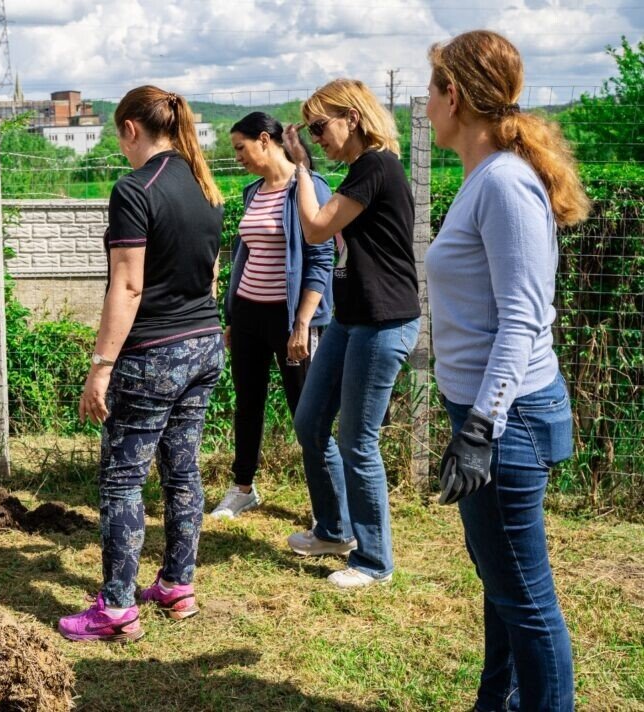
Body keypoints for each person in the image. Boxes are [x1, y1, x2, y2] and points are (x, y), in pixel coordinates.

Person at [426, 30, 589, 711]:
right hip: (492, 417)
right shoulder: (483, 176)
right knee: (501, 582)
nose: (425, 103)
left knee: (525, 597)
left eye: (430, 88)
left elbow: (525, 318)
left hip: (508, 420)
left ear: (455, 95)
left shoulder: (506, 185)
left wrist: (481, 427)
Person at [58, 86, 225, 642]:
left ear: (131, 128)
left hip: (153, 355)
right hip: (204, 343)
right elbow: (210, 274)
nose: (120, 146)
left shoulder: (134, 190)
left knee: (123, 479)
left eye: (118, 134)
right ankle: (178, 585)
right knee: (183, 471)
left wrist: (100, 366)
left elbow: (127, 286)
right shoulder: (207, 186)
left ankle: (116, 608)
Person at [282, 79, 421, 588]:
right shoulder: (361, 171)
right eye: (311, 130)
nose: (316, 137)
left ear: (353, 118)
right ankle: (335, 530)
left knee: (357, 442)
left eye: (320, 126)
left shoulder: (375, 165)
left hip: (384, 322)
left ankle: (374, 560)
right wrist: (307, 166)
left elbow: (316, 228)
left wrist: (299, 170)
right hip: (352, 318)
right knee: (310, 422)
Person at [212, 112, 335, 520]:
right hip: (248, 315)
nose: (239, 157)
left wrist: (303, 322)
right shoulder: (252, 191)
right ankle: (243, 487)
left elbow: (321, 257)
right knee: (248, 402)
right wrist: (232, 314)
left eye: (241, 148)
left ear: (265, 140)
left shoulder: (308, 186)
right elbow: (246, 255)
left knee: (307, 411)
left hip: (289, 321)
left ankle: (323, 507)